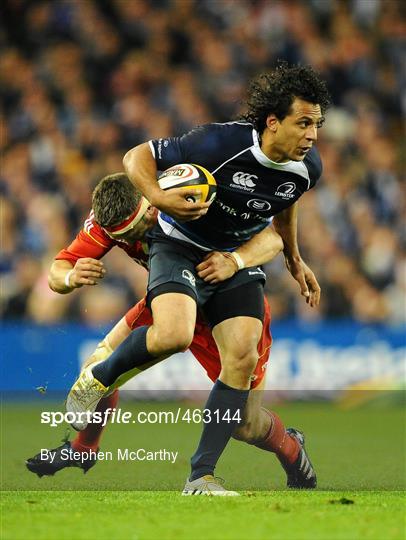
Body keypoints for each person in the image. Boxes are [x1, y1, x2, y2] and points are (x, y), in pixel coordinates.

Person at [66, 63, 329, 495]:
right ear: (272, 122)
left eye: (316, 124)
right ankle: (96, 382)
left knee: (242, 368)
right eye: (303, 123)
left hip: (232, 261)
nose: (313, 135)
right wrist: (159, 197)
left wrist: (294, 258)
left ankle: (201, 476)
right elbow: (136, 157)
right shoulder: (217, 142)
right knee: (172, 333)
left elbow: (286, 200)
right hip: (179, 243)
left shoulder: (307, 168)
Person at [27, 172, 305, 490]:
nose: (140, 240)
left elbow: (272, 237)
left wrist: (235, 258)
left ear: (149, 203)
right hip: (172, 295)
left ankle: (292, 448)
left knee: (245, 425)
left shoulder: (193, 192)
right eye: (127, 237)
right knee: (98, 367)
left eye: (141, 229)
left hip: (228, 301)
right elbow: (57, 270)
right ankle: (84, 449)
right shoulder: (108, 222)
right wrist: (71, 277)